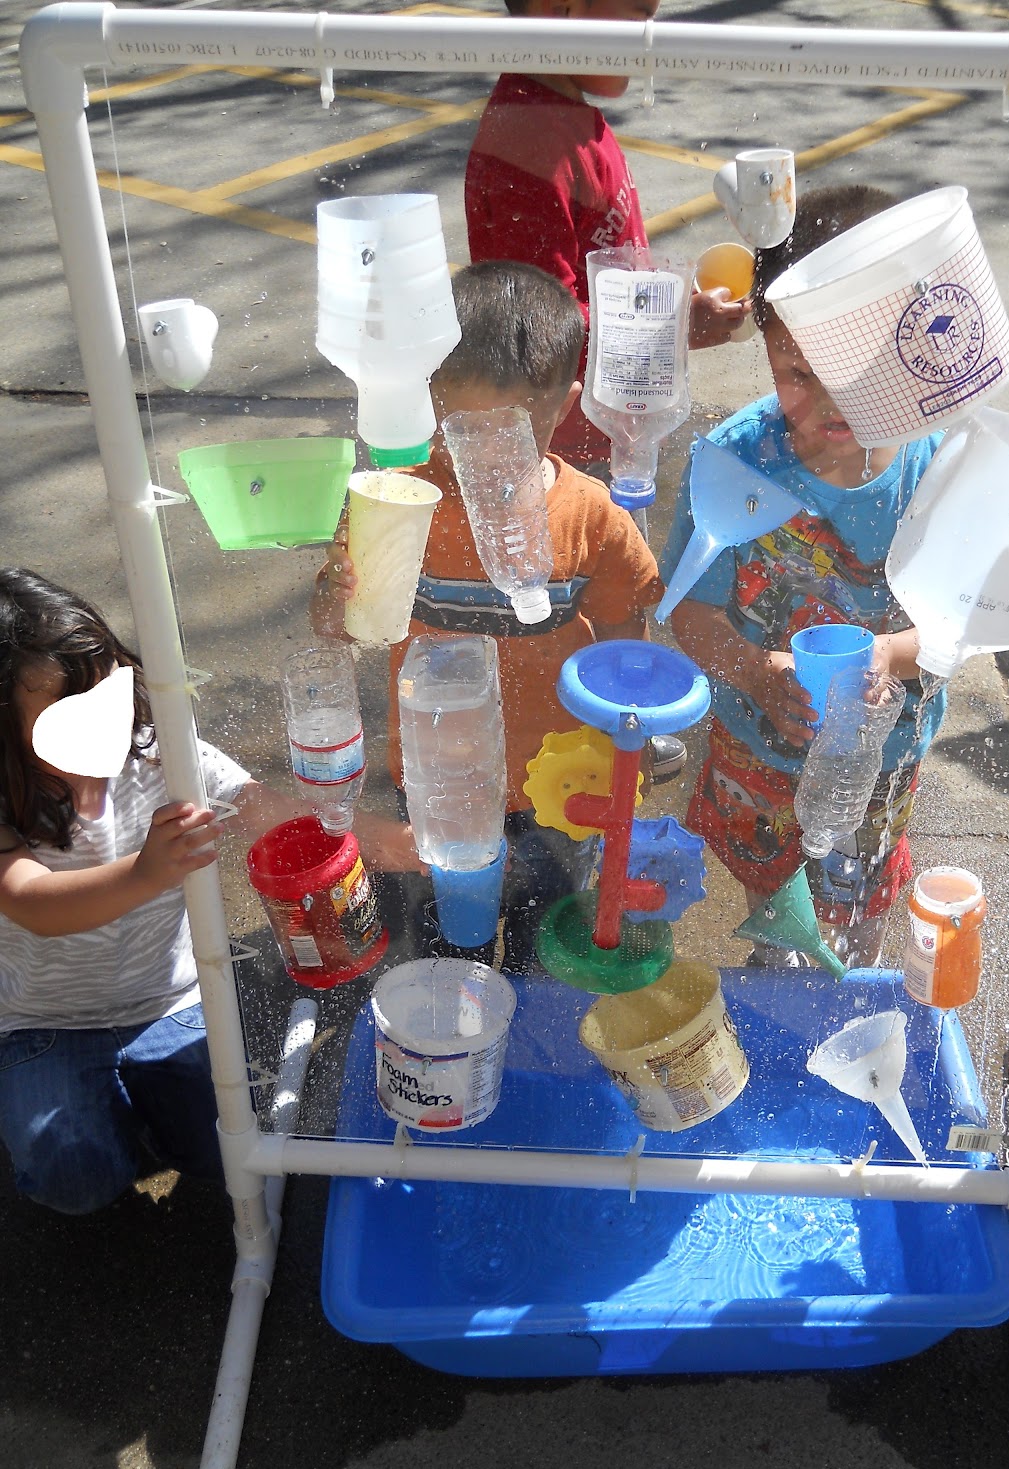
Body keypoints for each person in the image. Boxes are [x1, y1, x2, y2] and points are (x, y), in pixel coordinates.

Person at [0, 568, 422, 1216]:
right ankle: (93, 1124)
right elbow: (31, 902)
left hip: (168, 1000)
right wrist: (145, 874)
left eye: (106, 695)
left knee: (218, 1149)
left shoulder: (159, 754)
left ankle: (130, 1116)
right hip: (44, 1023)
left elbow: (263, 807)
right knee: (75, 1177)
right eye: (68, 717)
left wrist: (394, 843)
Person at [312, 259, 667, 972]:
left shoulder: (591, 516)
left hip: (559, 780)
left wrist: (632, 730)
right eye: (463, 426)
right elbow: (342, 626)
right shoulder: (396, 502)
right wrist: (333, 596)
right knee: (444, 946)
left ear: (566, 406)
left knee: (548, 939)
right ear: (429, 401)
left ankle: (532, 1009)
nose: (489, 450)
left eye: (516, 426)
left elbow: (626, 636)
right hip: (436, 778)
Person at [660, 184, 948, 970]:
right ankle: (780, 957)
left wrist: (886, 656)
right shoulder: (735, 462)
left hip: (879, 761)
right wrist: (755, 671)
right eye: (798, 372)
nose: (827, 402)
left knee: (857, 914)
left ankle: (849, 975)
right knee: (775, 902)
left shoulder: (936, 468)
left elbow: (961, 623)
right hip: (761, 747)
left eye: (858, 375)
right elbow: (690, 614)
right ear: (765, 336)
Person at [464, 0, 748, 467]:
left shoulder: (563, 117)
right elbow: (537, 329)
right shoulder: (529, 147)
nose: (650, 41)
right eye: (639, 17)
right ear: (561, 10)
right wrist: (670, 328)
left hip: (615, 418)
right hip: (570, 447)